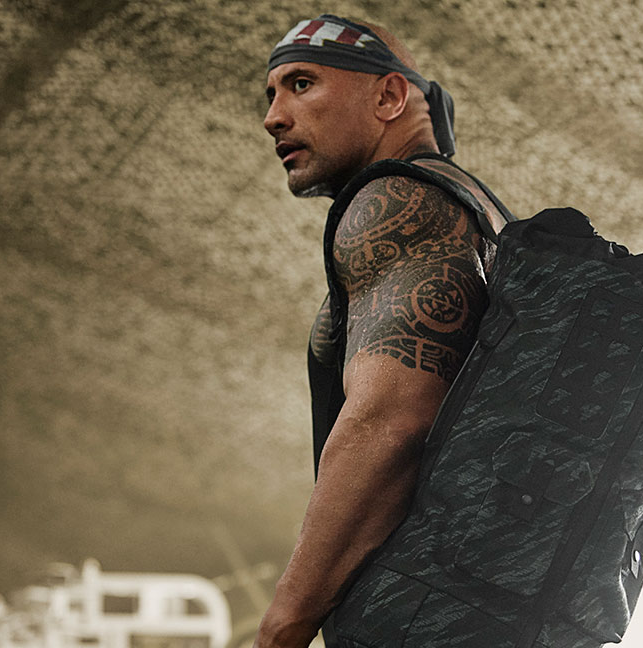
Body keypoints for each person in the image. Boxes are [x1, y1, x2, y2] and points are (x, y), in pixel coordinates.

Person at [256, 15, 510, 648]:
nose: (273, 117)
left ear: (390, 96)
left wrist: (281, 629)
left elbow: (388, 426)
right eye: (272, 94)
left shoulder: (397, 200)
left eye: (302, 84)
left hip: (427, 621)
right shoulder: (473, 207)